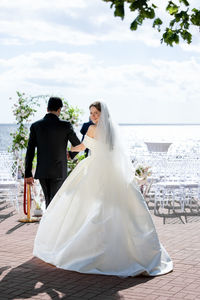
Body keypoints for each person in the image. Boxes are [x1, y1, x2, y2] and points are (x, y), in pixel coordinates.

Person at [33, 101, 173, 277]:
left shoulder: (92, 129)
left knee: (84, 204)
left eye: (95, 113)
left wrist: (66, 152)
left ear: (102, 114)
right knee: (113, 207)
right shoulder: (113, 131)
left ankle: (94, 248)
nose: (93, 116)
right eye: (91, 113)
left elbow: (83, 146)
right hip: (112, 170)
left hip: (93, 169)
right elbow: (115, 152)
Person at [25, 97, 80, 208]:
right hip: (59, 170)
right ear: (59, 109)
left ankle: (48, 223)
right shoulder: (65, 125)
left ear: (47, 109)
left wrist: (27, 173)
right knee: (55, 202)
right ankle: (51, 224)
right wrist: (70, 154)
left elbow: (30, 150)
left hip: (43, 171)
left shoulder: (36, 126)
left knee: (48, 200)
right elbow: (78, 145)